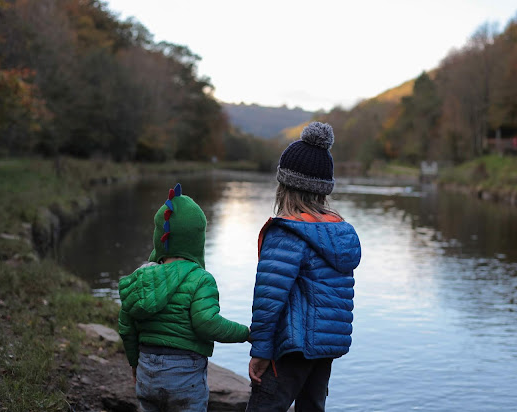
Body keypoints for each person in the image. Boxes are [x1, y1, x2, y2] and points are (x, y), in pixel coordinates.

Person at [246, 122, 362, 411]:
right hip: (325, 348)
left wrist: (260, 350)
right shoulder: (338, 232)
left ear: (284, 186)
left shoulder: (287, 233)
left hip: (291, 346)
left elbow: (268, 299)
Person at [118, 183, 249, 412]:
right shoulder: (200, 279)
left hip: (147, 370)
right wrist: (245, 333)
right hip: (184, 376)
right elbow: (206, 324)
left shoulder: (142, 279)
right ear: (198, 240)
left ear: (160, 237)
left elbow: (127, 326)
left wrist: (134, 363)